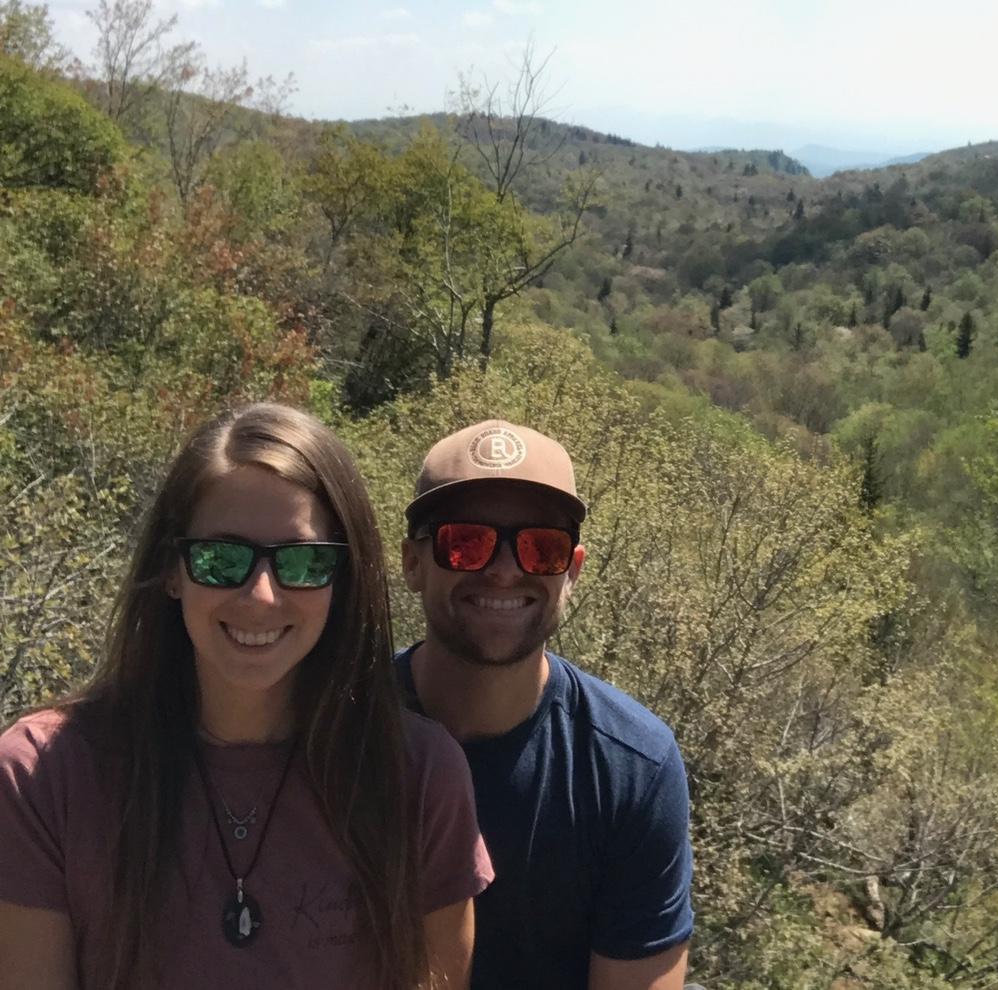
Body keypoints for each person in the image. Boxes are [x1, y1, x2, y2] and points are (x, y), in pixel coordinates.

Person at [0, 401, 493, 990]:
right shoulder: (41, 778)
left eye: (305, 561)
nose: (261, 596)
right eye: (221, 558)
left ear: (344, 578)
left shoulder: (416, 777)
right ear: (173, 570)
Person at [397, 417, 695, 990]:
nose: (506, 569)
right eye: (466, 542)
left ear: (572, 571)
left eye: (541, 547)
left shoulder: (633, 768)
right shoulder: (338, 728)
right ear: (413, 562)